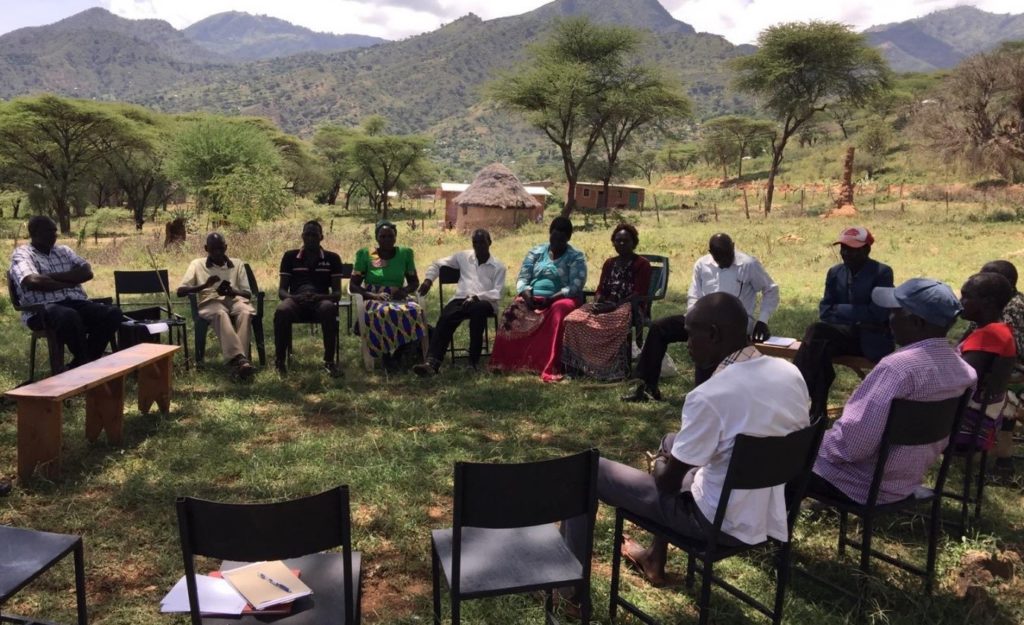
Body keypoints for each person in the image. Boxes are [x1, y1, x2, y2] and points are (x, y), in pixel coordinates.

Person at [562, 293, 810, 587]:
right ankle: (656, 558)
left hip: (714, 523)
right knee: (671, 440)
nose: (688, 344)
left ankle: (566, 588)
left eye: (691, 336)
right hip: (766, 512)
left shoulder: (710, 395)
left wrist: (659, 465)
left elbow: (667, 484)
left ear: (714, 335)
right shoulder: (790, 372)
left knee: (588, 470)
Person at [807, 278, 976, 505]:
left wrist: (813, 443)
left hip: (858, 484)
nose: (889, 319)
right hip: (904, 483)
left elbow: (852, 445)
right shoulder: (964, 372)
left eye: (895, 312)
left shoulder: (898, 369)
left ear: (917, 322)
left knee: (775, 456)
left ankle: (770, 531)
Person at [622, 232, 779, 402]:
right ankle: (646, 387)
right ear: (711, 253)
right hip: (701, 319)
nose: (725, 260)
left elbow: (771, 289)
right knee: (660, 328)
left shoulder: (748, 264)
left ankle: (705, 392)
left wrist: (762, 320)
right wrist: (693, 319)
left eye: (728, 254)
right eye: (719, 256)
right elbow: (693, 294)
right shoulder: (702, 264)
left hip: (733, 325)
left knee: (706, 339)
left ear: (733, 246)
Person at [793, 226, 895, 416]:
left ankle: (794, 390)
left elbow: (879, 313)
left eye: (852, 249)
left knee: (817, 336)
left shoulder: (882, 273)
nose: (845, 253)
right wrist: (858, 313)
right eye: (843, 248)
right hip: (843, 336)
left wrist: (840, 310)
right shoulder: (835, 273)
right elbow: (825, 311)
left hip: (871, 339)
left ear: (866, 249)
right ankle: (817, 409)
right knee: (819, 346)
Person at [9, 215, 123, 370]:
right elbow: (33, 281)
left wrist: (50, 279)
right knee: (68, 316)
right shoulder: (23, 253)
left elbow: (87, 272)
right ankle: (86, 365)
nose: (55, 234)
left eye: (55, 231)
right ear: (35, 233)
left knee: (113, 313)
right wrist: (70, 280)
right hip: (42, 310)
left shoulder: (64, 251)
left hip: (75, 303)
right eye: (49, 231)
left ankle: (80, 364)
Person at [489, 217, 586, 382]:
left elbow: (575, 285)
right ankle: (506, 362)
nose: (556, 242)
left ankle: (547, 364)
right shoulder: (536, 252)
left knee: (559, 311)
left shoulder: (575, 257)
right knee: (511, 311)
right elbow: (523, 278)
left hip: (561, 298)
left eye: (561, 239)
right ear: (549, 235)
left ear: (568, 238)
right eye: (553, 237)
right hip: (533, 296)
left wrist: (551, 299)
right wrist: (527, 296)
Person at [561, 223, 651, 380]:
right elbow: (601, 288)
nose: (621, 243)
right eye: (618, 240)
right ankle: (580, 366)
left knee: (615, 321)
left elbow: (639, 293)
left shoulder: (642, 264)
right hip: (607, 304)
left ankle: (611, 369)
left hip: (629, 306)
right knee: (573, 319)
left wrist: (613, 307)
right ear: (613, 242)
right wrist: (598, 300)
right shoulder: (610, 263)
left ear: (634, 242)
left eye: (626, 240)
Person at [413, 229, 506, 376]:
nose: (478, 246)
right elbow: (437, 264)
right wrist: (428, 280)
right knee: (446, 316)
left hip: (485, 302)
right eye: (475, 242)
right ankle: (432, 363)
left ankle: (472, 362)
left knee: (478, 311)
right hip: (462, 298)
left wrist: (477, 297)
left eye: (482, 242)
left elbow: (498, 292)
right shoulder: (463, 256)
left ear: (490, 243)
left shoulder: (498, 266)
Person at [952, 272, 1016, 453]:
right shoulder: (1000, 330)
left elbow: (958, 381)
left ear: (987, 301)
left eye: (966, 296)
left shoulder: (989, 336)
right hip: (979, 423)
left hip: (961, 427)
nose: (960, 301)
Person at [176, 233, 255, 379]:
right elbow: (180, 291)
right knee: (220, 313)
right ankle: (240, 361)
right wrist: (204, 285)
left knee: (245, 312)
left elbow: (247, 294)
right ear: (206, 248)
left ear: (226, 247)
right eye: (213, 249)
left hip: (234, 299)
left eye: (220, 249)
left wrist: (233, 291)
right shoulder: (197, 264)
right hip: (210, 301)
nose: (218, 253)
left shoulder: (237, 264)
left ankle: (238, 363)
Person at [350, 220, 427, 369]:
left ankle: (400, 354)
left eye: (390, 236)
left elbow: (414, 282)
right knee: (381, 312)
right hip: (373, 296)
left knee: (415, 311)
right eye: (382, 236)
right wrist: (372, 295)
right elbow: (353, 285)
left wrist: (404, 291)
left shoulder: (404, 253)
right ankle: (385, 354)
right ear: (377, 238)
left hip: (398, 295)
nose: (387, 240)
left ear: (395, 237)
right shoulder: (367, 254)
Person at [970, 261, 1024, 472]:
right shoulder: (992, 305)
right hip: (997, 367)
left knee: (999, 394)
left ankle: (1001, 457)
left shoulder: (1014, 309)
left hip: (1013, 372)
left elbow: (1013, 350)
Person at [273, 221, 345, 377]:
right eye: (307, 234)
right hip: (296, 301)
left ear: (322, 237)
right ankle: (279, 362)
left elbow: (337, 294)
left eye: (314, 234)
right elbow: (282, 291)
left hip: (320, 300)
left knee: (328, 308)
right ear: (302, 236)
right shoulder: (290, 256)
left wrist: (320, 296)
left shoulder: (332, 258)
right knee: (282, 309)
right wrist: (294, 297)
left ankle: (329, 362)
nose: (310, 238)